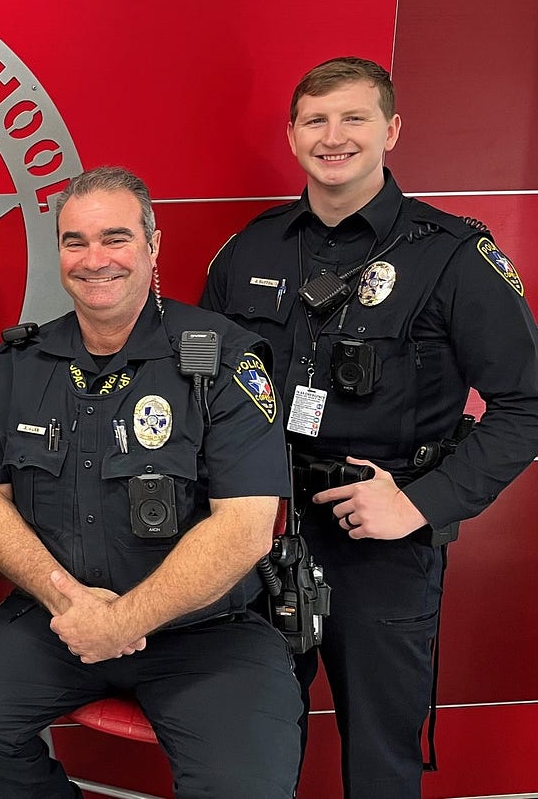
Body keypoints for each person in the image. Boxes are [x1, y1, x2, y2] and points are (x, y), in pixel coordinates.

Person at [201, 57, 538, 796]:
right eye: (316, 120)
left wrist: (419, 504)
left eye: (354, 118)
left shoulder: (451, 255)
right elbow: (210, 400)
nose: (334, 137)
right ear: (292, 135)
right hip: (260, 533)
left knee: (382, 757)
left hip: (379, 541)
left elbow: (526, 406)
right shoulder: (248, 250)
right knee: (249, 744)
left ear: (390, 129)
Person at [0, 166, 303, 798]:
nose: (94, 259)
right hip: (60, 618)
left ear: (153, 245)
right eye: (75, 242)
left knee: (246, 787)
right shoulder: (20, 367)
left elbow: (244, 528)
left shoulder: (224, 361)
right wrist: (71, 604)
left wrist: (125, 619)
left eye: (116, 238)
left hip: (203, 632)